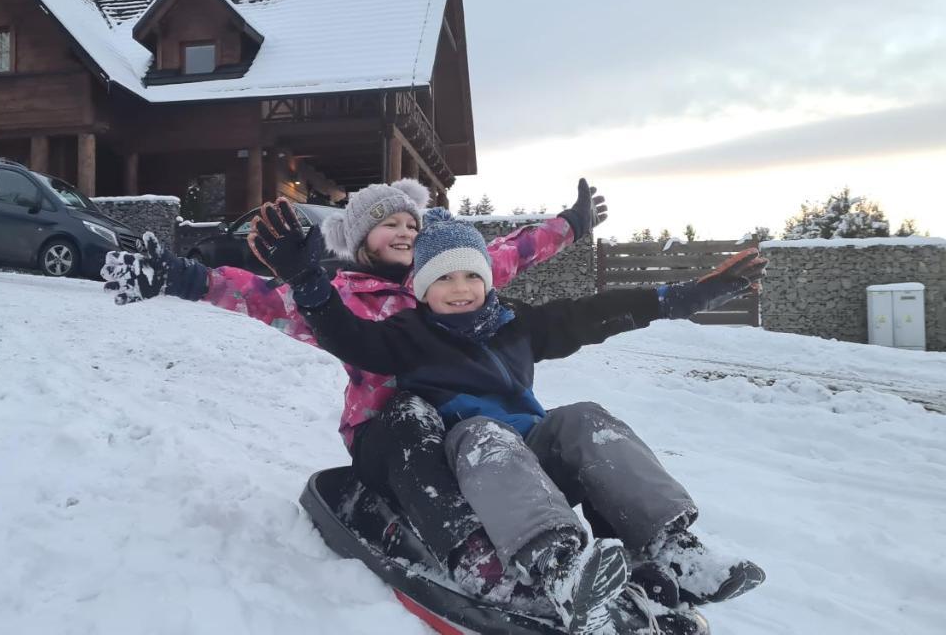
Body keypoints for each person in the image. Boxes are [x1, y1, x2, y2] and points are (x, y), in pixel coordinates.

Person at [246, 203, 767, 635]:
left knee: (585, 418)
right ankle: (557, 566)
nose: (460, 288)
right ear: (421, 288)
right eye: (443, 278)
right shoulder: (408, 334)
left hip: (530, 456)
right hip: (464, 460)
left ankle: (672, 547)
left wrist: (680, 298)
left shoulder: (516, 324)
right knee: (486, 434)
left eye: (472, 274)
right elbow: (349, 337)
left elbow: (590, 313)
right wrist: (309, 283)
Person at [101, 179, 606, 601]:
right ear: (362, 237)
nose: (406, 231)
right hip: (392, 440)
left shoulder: (449, 274)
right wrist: (179, 275)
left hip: (471, 433)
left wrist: (573, 223)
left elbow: (516, 249)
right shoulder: (339, 295)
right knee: (410, 411)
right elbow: (259, 298)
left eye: (412, 223)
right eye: (391, 223)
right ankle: (473, 555)